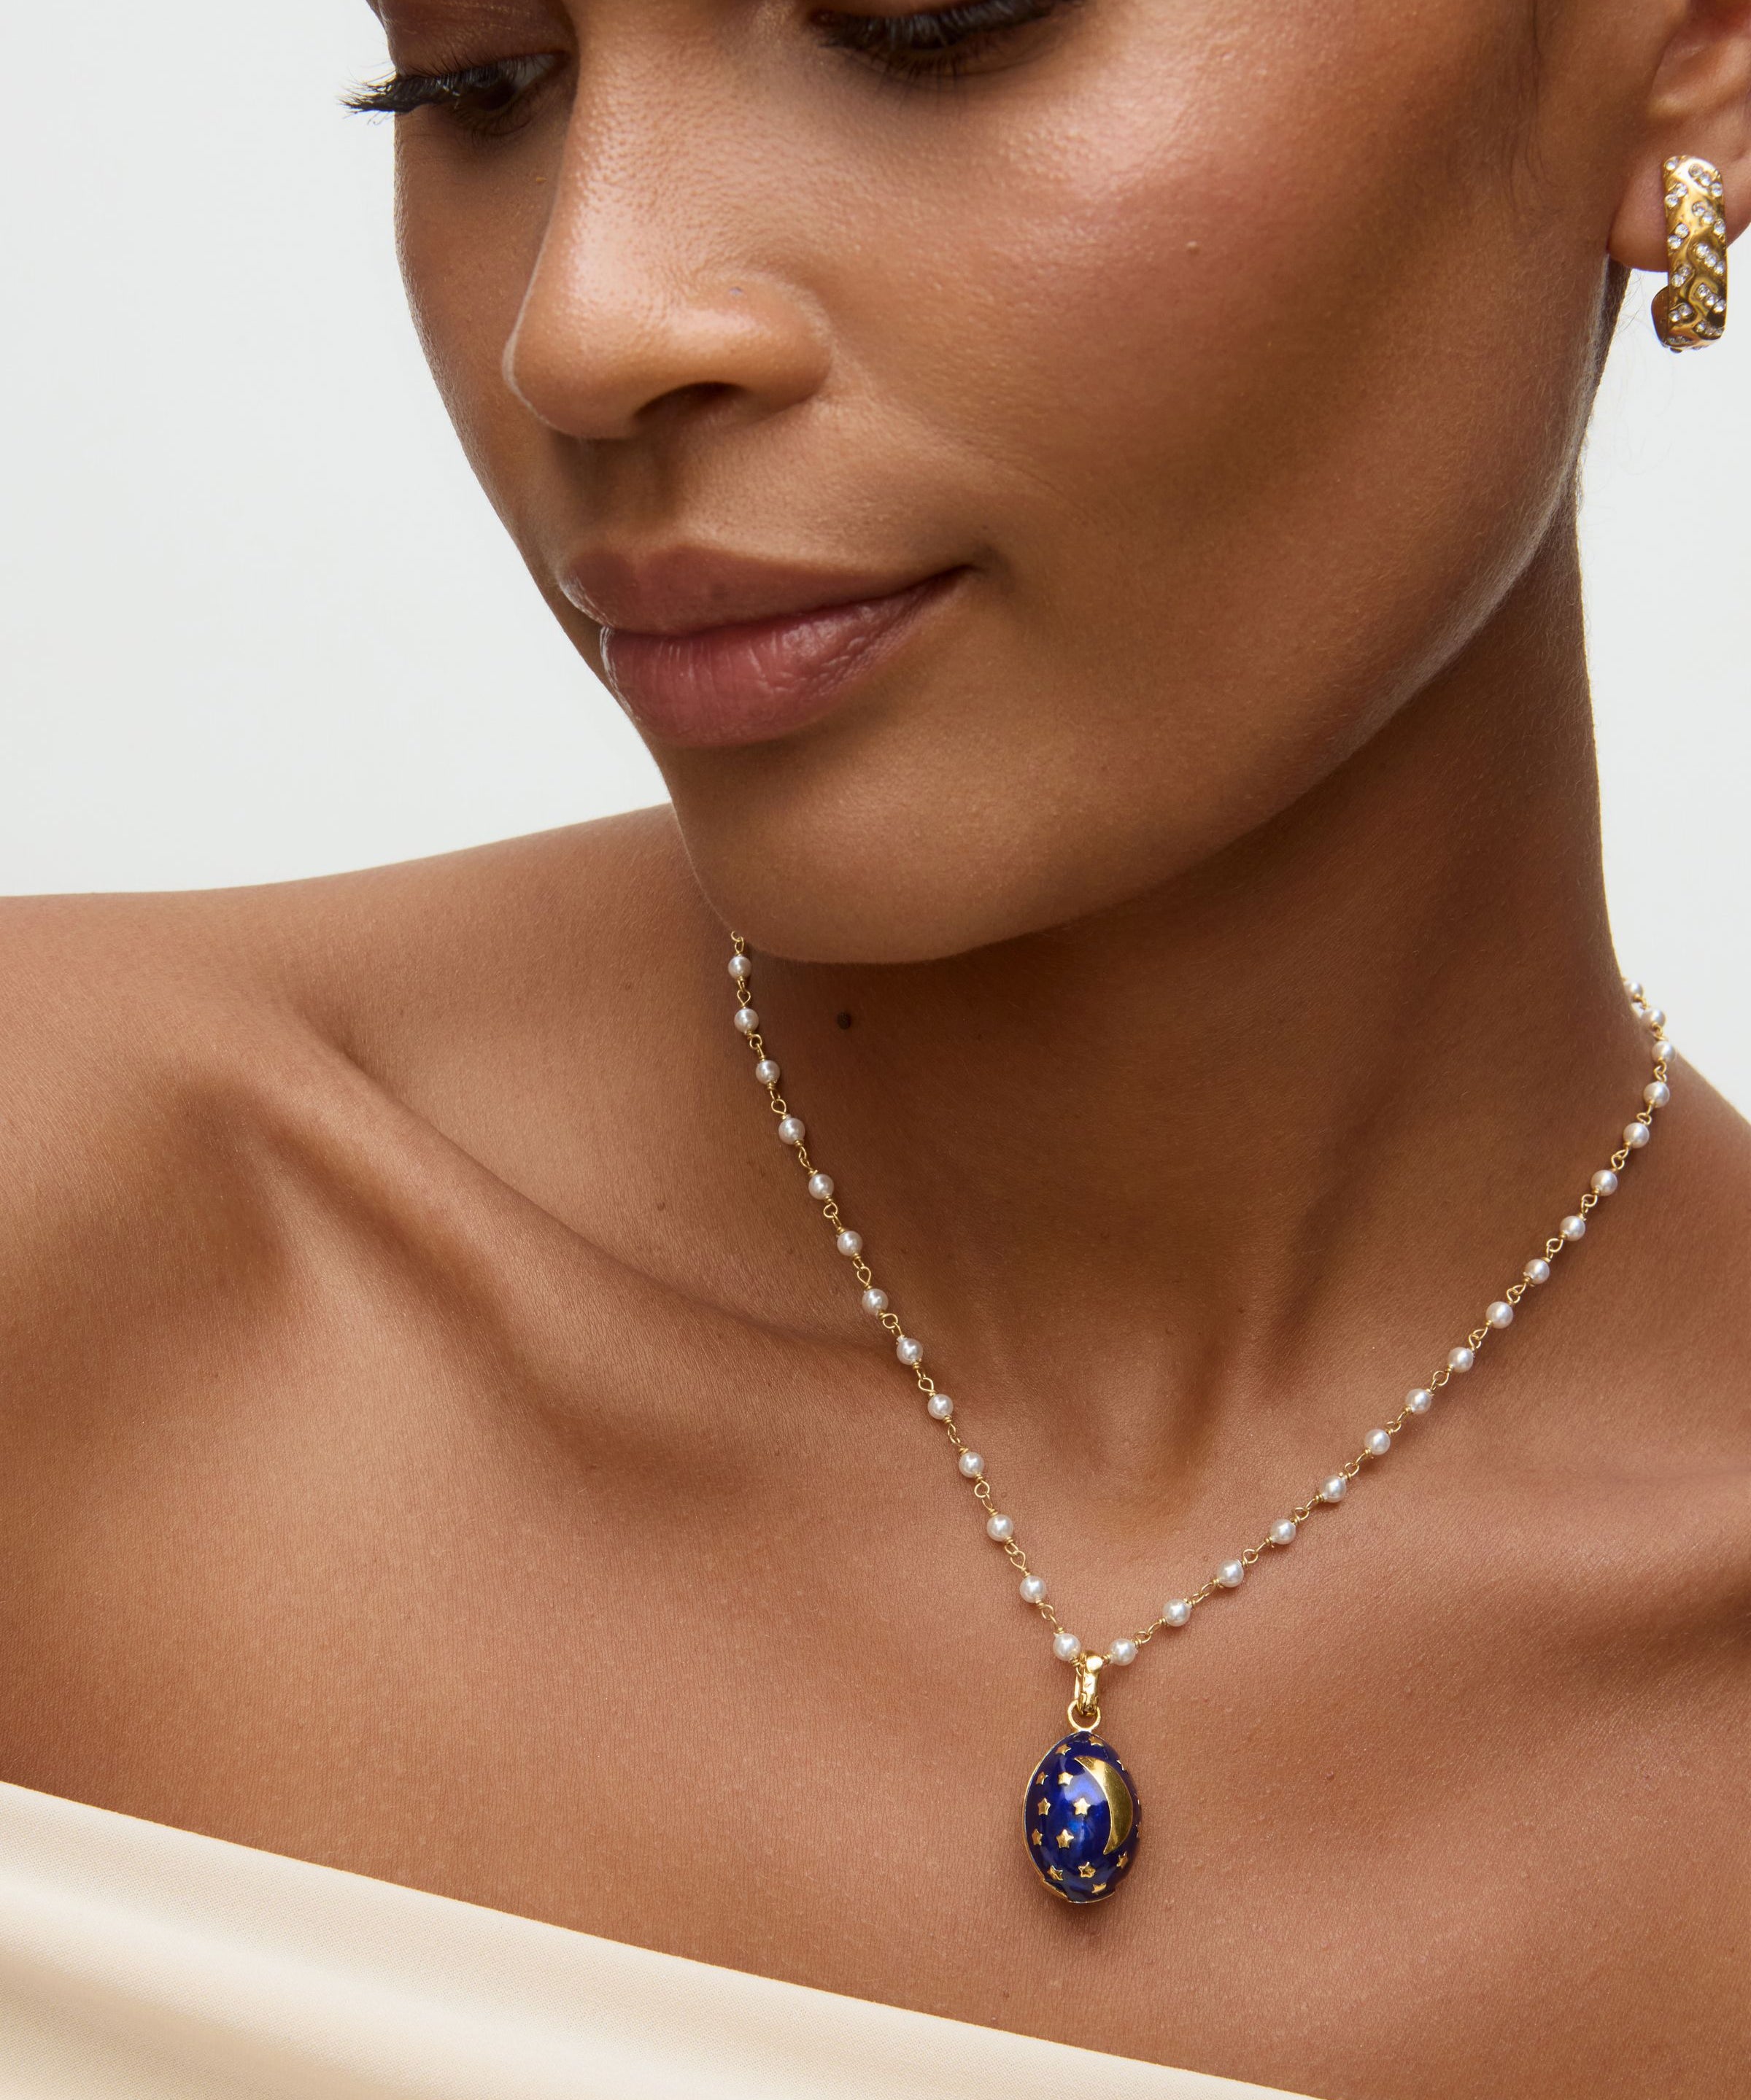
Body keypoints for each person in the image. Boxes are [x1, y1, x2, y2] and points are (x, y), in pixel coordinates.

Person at [0, 3, 1744, 2095]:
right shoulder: (73, 1256)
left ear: (1686, 53)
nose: (589, 317)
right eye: (471, 76)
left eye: (931, 22)